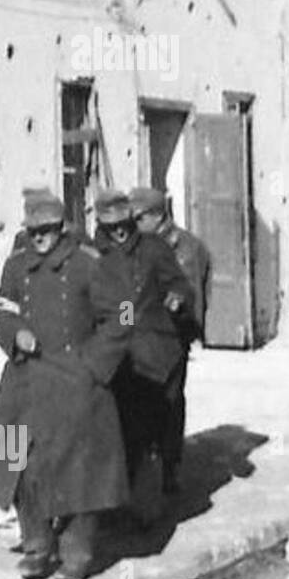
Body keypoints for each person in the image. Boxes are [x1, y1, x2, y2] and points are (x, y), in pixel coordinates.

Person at [0, 190, 131, 579]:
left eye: (47, 231)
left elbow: (124, 315)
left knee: (79, 467)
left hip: (76, 377)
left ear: (61, 229)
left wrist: (93, 365)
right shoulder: (16, 266)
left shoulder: (90, 264)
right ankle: (36, 546)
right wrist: (16, 333)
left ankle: (77, 552)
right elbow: (0, 312)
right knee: (13, 458)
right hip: (24, 377)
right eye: (34, 231)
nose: (40, 238)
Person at [92, 188, 194, 519]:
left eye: (124, 223)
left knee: (152, 424)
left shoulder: (153, 249)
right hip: (108, 355)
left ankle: (148, 501)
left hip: (153, 348)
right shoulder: (91, 257)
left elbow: (178, 284)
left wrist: (176, 299)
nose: (119, 231)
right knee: (117, 427)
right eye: (110, 226)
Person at [128, 187, 211, 493]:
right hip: (134, 342)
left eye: (135, 219)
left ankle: (164, 471)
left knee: (165, 406)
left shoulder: (182, 248)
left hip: (166, 343)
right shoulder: (19, 267)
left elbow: (183, 302)